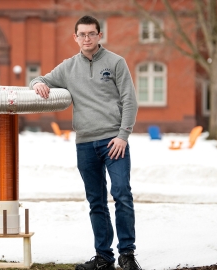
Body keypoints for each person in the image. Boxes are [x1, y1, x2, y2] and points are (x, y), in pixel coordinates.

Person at [29, 15, 141, 270]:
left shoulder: (115, 63)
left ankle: (127, 254)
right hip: (85, 144)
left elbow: (129, 101)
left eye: (92, 34)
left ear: (99, 35)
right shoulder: (68, 67)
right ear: (75, 37)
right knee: (96, 202)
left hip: (114, 141)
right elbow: (40, 79)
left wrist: (123, 136)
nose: (87, 38)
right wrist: (37, 85)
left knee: (122, 194)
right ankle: (104, 258)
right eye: (82, 34)